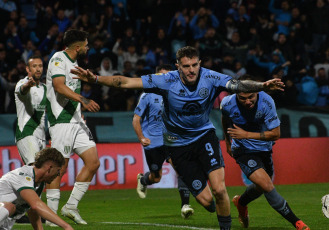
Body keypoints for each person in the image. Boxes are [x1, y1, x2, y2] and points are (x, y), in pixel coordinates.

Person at [71, 46, 284, 230]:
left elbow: (238, 85)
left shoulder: (211, 77)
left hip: (204, 137)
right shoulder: (165, 80)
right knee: (208, 202)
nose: (191, 70)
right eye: (186, 66)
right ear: (178, 66)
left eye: (194, 65)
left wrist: (262, 86)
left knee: (220, 190)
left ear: (199, 63)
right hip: (177, 145)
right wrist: (96, 79)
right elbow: (125, 82)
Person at [220, 75, 310, 230]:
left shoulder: (267, 102)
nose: (247, 102)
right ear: (236, 95)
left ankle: (241, 202)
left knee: (262, 187)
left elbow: (275, 134)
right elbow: (225, 119)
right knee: (267, 184)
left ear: (257, 92)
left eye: (251, 97)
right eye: (242, 98)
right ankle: (299, 224)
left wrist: (246, 134)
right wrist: (228, 142)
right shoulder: (227, 103)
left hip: (264, 149)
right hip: (243, 150)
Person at [45, 29, 100, 226]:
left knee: (93, 162)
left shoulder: (75, 63)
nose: (88, 47)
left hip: (76, 120)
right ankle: (50, 214)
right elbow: (59, 86)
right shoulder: (58, 59)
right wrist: (83, 99)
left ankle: (70, 206)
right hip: (61, 121)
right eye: (86, 44)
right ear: (78, 47)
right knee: (59, 167)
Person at [133, 64, 194, 219]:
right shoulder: (147, 95)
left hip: (171, 140)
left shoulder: (177, 94)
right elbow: (136, 119)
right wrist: (141, 138)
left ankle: (185, 205)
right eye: (160, 76)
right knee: (156, 177)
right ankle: (144, 179)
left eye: (166, 76)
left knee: (182, 169)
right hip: (152, 142)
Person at [0, 147, 73, 230]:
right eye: (58, 170)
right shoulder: (23, 175)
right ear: (50, 168)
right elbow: (36, 205)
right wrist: (66, 226)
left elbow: (32, 209)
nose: (59, 174)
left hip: (4, 226)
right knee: (9, 206)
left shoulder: (39, 183)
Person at [15, 55, 46, 166]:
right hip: (26, 133)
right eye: (34, 66)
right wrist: (28, 85)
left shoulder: (45, 88)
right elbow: (22, 91)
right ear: (28, 69)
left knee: (42, 177)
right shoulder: (22, 83)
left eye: (40, 66)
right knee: (35, 169)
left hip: (41, 136)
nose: (38, 69)